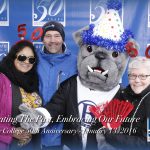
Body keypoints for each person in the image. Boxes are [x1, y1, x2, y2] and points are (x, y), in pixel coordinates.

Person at [86, 56, 150, 150]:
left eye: (143, 76)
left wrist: (110, 136)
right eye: (132, 75)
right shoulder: (122, 95)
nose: (137, 80)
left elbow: (145, 143)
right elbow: (96, 126)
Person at [36, 21, 77, 149]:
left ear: (63, 38)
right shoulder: (32, 59)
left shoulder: (76, 62)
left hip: (62, 135)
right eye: (48, 36)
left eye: (57, 35)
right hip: (34, 132)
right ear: (42, 39)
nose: (52, 40)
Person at [0, 40, 42, 150]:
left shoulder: (33, 80)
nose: (27, 62)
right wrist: (11, 132)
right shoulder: (1, 80)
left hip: (32, 145)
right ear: (13, 57)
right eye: (22, 57)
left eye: (31, 59)